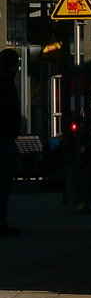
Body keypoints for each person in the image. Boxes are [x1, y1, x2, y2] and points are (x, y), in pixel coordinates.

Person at [0, 49, 21, 236]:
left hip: (5, 135)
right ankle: (1, 223)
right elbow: (9, 111)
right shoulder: (5, 82)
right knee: (3, 181)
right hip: (4, 137)